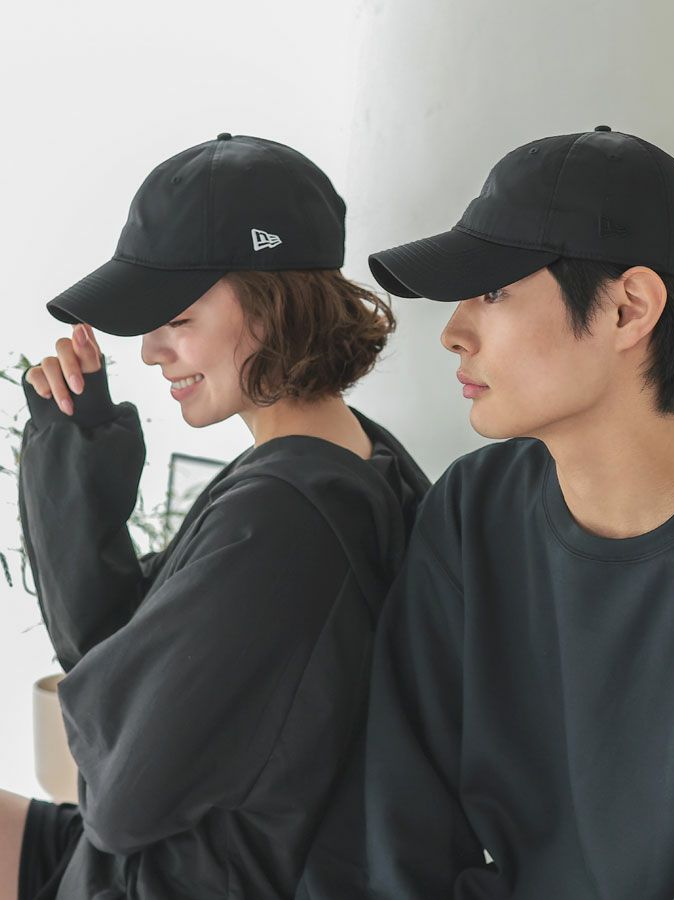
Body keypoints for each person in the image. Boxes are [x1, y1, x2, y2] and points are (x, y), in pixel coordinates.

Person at [297, 125, 674, 900]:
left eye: (494, 291)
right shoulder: (472, 509)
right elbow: (396, 816)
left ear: (629, 309)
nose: (453, 333)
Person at [1, 132, 430, 900]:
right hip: (181, 857)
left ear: (273, 303)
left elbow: (119, 792)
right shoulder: (359, 459)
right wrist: (73, 449)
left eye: (177, 316)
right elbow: (120, 649)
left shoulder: (285, 518)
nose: (151, 350)